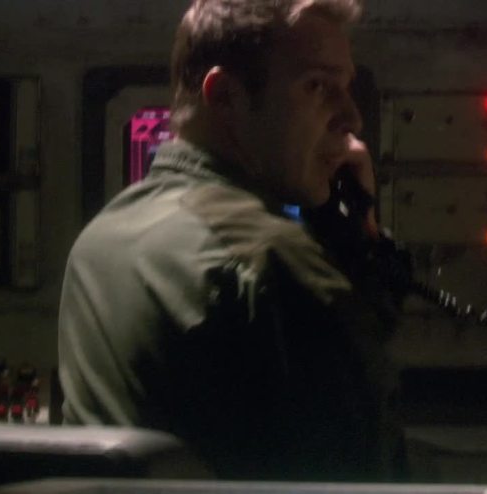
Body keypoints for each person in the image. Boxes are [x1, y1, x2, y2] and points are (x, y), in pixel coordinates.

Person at [58, 0, 408, 481]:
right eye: (318, 86)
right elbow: (372, 469)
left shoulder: (101, 239)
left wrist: (348, 243)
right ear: (225, 96)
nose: (351, 117)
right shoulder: (272, 262)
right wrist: (358, 249)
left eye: (346, 87)